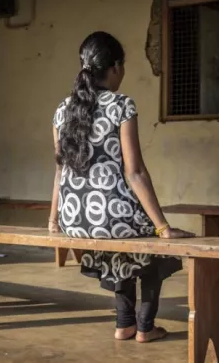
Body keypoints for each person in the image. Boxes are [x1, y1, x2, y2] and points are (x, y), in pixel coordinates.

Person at [48, 31, 195, 343]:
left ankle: (124, 323)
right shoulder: (121, 105)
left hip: (74, 220)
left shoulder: (63, 111)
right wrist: (163, 227)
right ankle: (145, 325)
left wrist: (53, 221)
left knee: (125, 232)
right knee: (152, 240)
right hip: (107, 218)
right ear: (115, 67)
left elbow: (59, 170)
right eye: (122, 67)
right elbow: (136, 172)